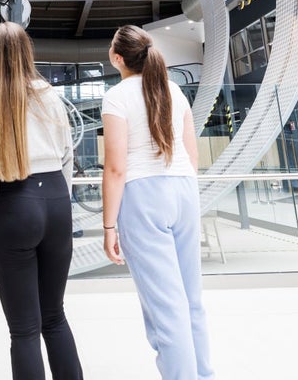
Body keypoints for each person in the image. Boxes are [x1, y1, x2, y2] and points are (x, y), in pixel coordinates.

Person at [0, 22, 84, 380]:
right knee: (55, 316)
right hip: (56, 201)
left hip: (13, 204)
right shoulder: (51, 96)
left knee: (24, 330)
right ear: (26, 53)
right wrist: (60, 203)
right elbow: (67, 156)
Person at [101, 25, 214, 380]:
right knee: (191, 300)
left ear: (118, 57)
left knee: (166, 308)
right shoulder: (175, 91)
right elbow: (191, 152)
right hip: (184, 190)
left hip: (143, 196)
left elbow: (116, 167)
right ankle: (203, 374)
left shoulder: (117, 96)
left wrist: (108, 226)